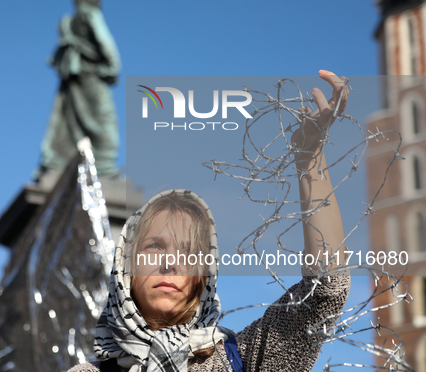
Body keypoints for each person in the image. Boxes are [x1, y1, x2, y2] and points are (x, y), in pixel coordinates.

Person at [68, 71, 351, 372]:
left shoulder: (242, 359)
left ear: (203, 276)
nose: (170, 263)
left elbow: (324, 291)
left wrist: (310, 157)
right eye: (154, 246)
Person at [38, 0, 121, 179]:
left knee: (71, 123)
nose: (99, 0)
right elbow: (105, 42)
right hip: (92, 77)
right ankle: (105, 168)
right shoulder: (90, 15)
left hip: (74, 80)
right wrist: (112, 67)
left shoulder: (67, 22)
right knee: (104, 124)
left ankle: (66, 166)